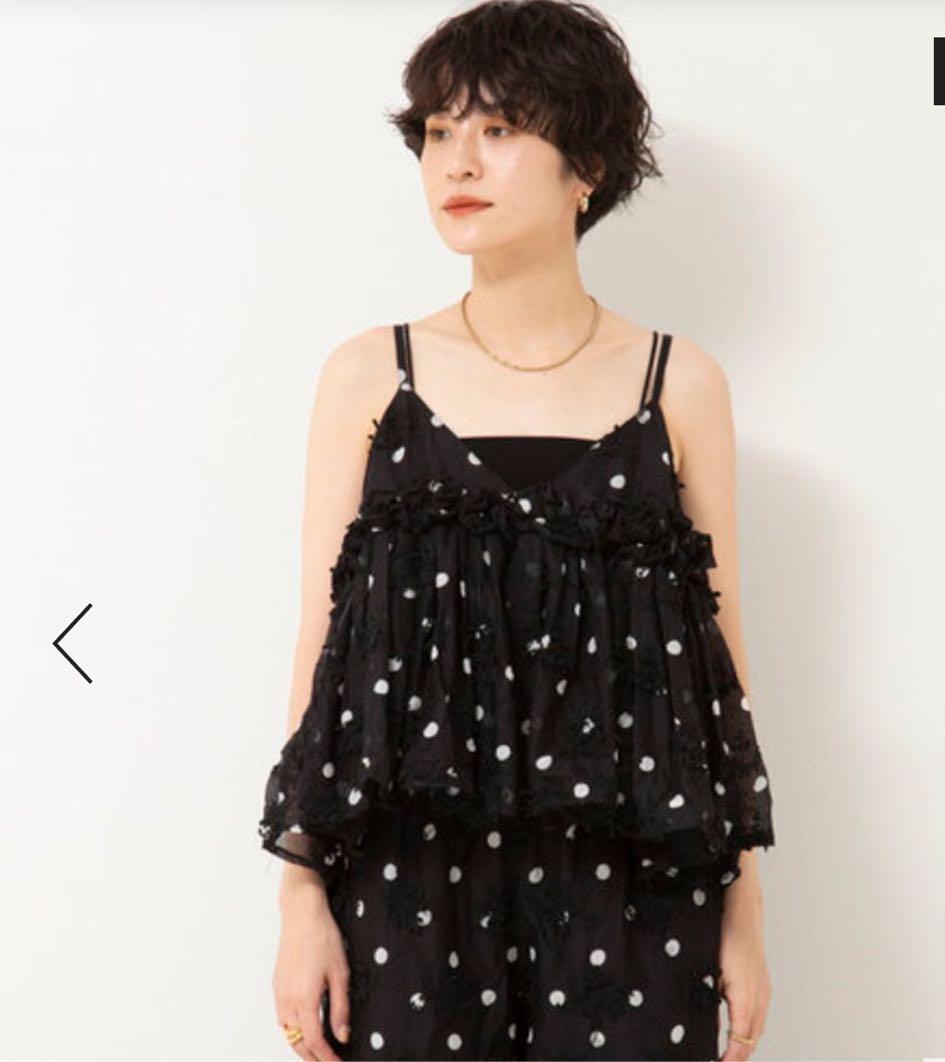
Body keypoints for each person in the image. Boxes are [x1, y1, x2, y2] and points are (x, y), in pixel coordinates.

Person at [258, 2, 776, 1059]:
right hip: (409, 873)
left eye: (500, 128)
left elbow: (716, 671)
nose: (459, 160)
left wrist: (746, 904)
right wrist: (299, 898)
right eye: (439, 131)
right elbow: (325, 650)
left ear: (589, 165)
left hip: (635, 881)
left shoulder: (680, 384)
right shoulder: (369, 376)